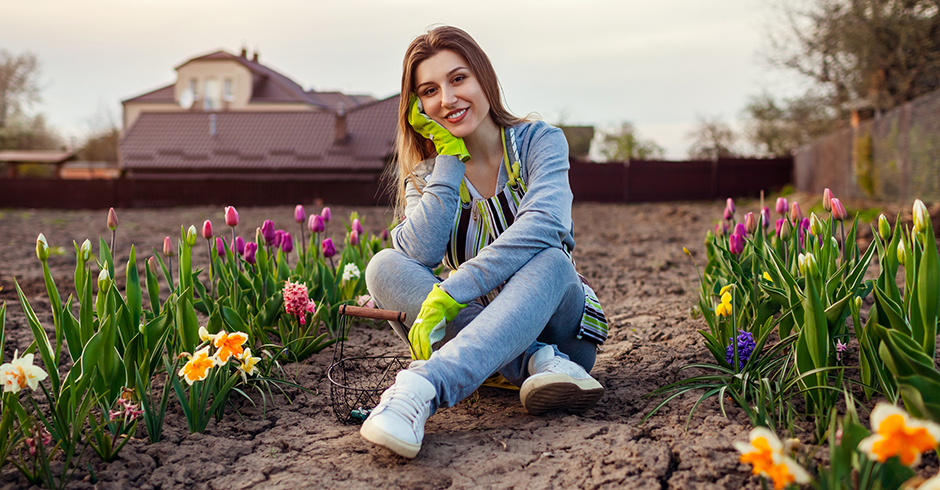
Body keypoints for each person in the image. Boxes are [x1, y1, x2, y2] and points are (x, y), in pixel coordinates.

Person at [361, 25, 608, 459]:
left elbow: (547, 224)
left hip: (563, 328)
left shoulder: (539, 142)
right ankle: (534, 361)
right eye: (430, 90)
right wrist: (449, 157)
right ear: (418, 107)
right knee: (383, 266)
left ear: (484, 80)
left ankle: (423, 386)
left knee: (549, 259)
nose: (448, 99)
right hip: (504, 345)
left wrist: (454, 290)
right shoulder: (429, 177)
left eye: (459, 79)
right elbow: (419, 253)